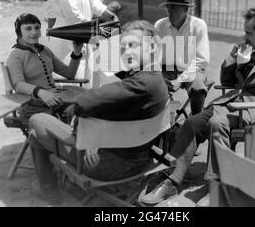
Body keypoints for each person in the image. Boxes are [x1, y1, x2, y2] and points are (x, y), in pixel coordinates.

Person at [141, 7, 255, 205]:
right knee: (192, 123)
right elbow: (226, 80)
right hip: (229, 103)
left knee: (217, 123)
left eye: (249, 33)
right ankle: (172, 181)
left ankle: (217, 185)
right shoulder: (249, 49)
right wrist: (234, 59)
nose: (244, 37)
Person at [28, 20, 169, 204]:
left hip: (111, 165)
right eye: (123, 47)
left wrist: (75, 111)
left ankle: (49, 191)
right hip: (141, 155)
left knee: (36, 121)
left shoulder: (139, 85)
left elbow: (83, 103)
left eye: (133, 45)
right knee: (76, 110)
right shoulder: (155, 79)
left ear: (151, 47)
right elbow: (107, 100)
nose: (126, 51)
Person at [6, 13, 83, 126]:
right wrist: (41, 92)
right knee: (81, 110)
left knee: (91, 102)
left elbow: (69, 74)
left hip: (56, 98)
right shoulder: (15, 55)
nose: (34, 32)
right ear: (18, 32)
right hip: (34, 105)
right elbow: (18, 85)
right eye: (28, 28)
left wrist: (76, 53)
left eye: (37, 28)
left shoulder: (44, 50)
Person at [155, 0, 210, 115]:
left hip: (192, 69)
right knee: (149, 84)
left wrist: (180, 80)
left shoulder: (198, 25)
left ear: (186, 9)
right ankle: (160, 125)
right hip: (166, 69)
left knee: (198, 87)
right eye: (168, 6)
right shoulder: (160, 25)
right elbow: (153, 57)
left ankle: (195, 123)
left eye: (174, 7)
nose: (169, 10)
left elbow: (202, 60)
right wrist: (159, 77)